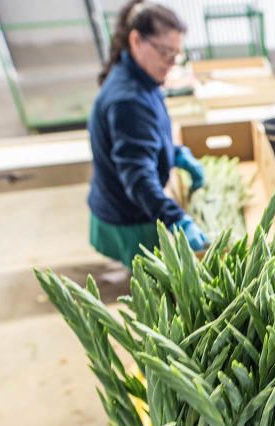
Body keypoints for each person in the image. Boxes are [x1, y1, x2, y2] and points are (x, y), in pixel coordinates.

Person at [87, 0, 208, 268]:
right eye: (165, 52)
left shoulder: (143, 77)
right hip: (128, 215)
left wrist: (175, 155)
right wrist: (177, 218)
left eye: (176, 55)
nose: (171, 63)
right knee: (148, 288)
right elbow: (138, 177)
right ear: (136, 41)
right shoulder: (128, 99)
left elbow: (146, 138)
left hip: (124, 202)